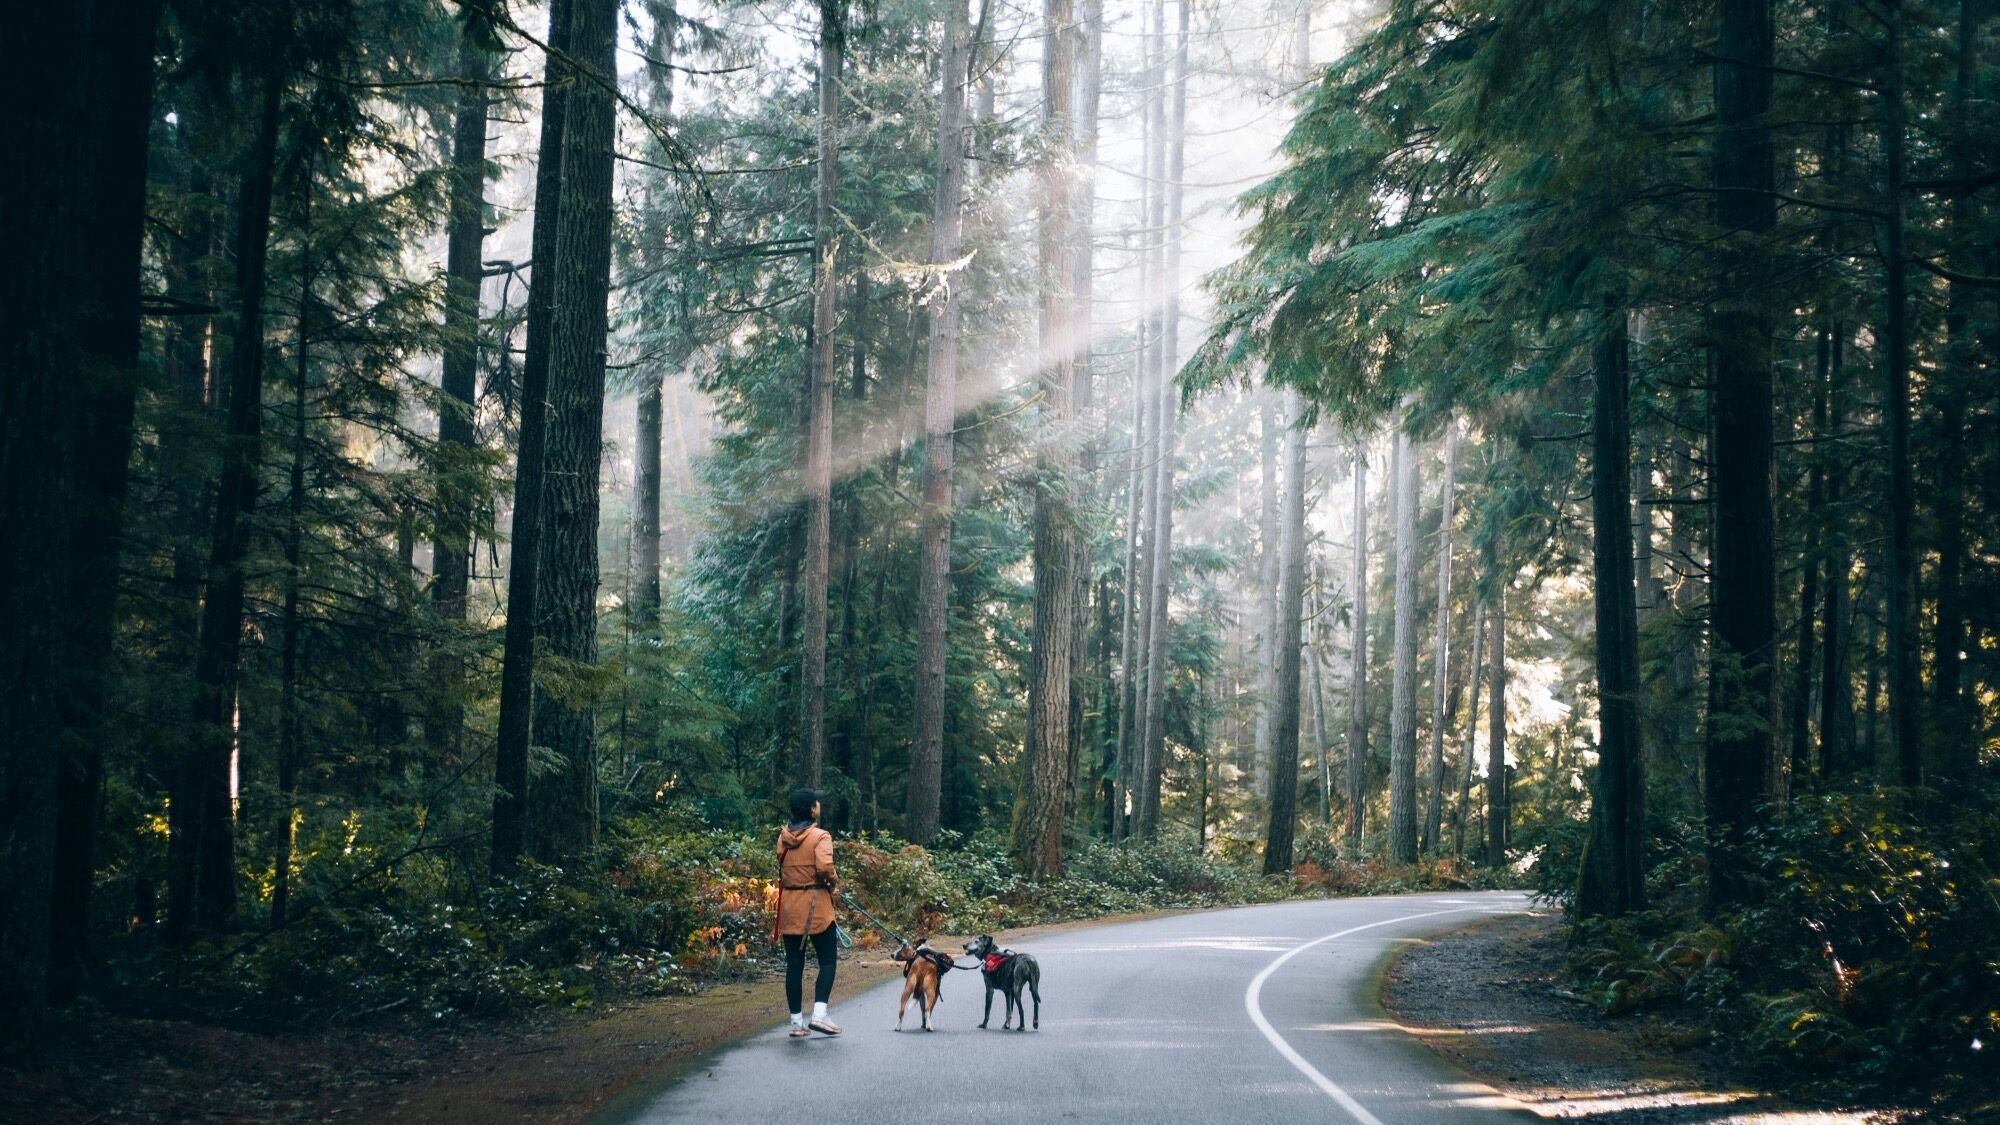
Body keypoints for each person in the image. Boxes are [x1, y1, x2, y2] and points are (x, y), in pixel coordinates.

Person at [774, 787, 841, 1037]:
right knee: (827, 960)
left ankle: (796, 1023)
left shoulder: (782, 839)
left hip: (790, 905)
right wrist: (833, 883)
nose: (819, 807)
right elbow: (824, 867)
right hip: (816, 906)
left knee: (794, 964)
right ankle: (820, 1015)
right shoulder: (821, 836)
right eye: (817, 803)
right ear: (813, 809)